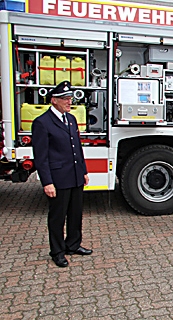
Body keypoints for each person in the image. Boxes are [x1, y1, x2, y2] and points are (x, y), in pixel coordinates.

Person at [32, 81, 92, 268]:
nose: (69, 101)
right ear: (54, 100)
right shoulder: (42, 123)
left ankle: (73, 245)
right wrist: (47, 182)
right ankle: (57, 251)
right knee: (58, 216)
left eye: (70, 98)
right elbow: (41, 157)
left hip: (74, 175)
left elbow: (77, 149)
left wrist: (83, 171)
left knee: (76, 213)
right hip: (58, 178)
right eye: (65, 98)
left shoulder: (71, 119)